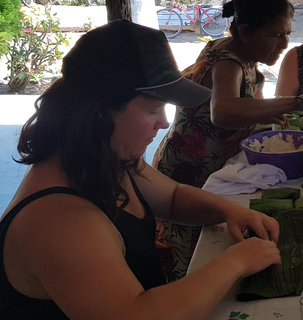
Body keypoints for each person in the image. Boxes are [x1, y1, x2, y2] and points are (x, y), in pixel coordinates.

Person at [0, 20, 282, 320]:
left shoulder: (106, 157)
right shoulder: (59, 221)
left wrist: (230, 212)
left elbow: (172, 197)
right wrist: (235, 263)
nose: (163, 122)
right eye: (152, 109)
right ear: (99, 113)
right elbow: (135, 314)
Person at [153, 0, 303, 280]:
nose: (284, 43)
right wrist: (296, 101)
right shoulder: (227, 62)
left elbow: (242, 104)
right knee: (188, 259)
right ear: (246, 31)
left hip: (208, 168)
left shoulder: (242, 54)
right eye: (276, 35)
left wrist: (265, 114)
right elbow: (221, 112)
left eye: (287, 33)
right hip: (191, 174)